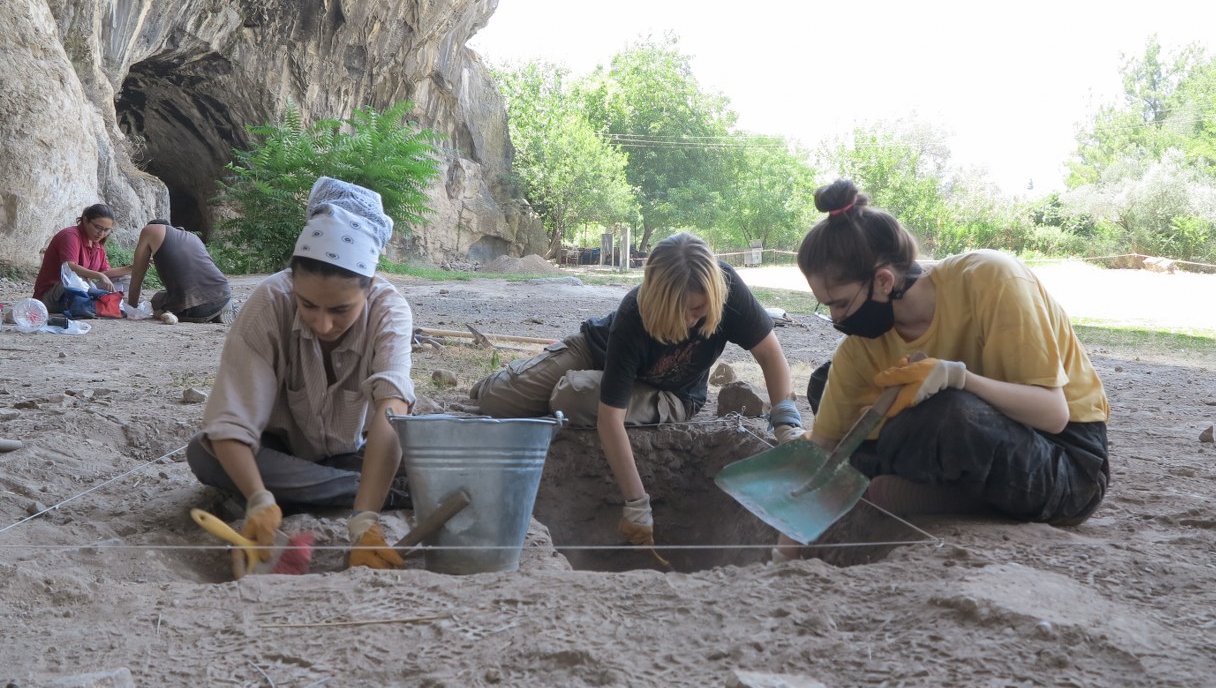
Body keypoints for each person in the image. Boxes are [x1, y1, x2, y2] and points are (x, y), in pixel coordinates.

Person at [789, 179, 1110, 544]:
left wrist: (959, 377)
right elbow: (825, 451)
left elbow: (1052, 414)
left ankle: (950, 496)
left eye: (841, 304)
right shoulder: (862, 346)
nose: (834, 319)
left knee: (948, 413)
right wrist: (785, 543)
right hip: (966, 440)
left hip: (1064, 462)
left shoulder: (993, 279)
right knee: (826, 382)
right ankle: (953, 491)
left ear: (882, 280)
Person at [470, 231, 804, 554]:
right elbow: (611, 421)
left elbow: (770, 355)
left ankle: (570, 394)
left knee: (571, 396)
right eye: (682, 310)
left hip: (672, 393)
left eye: (699, 310)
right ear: (657, 298)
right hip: (597, 350)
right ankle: (545, 384)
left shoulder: (726, 288)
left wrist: (786, 423)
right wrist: (637, 502)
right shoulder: (634, 312)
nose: (691, 319)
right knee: (495, 399)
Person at [186, 177, 415, 570]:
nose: (322, 324)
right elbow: (231, 421)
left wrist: (365, 524)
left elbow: (390, 412)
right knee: (204, 454)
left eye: (340, 310)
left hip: (352, 454)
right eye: (308, 305)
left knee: (422, 454)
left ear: (369, 287)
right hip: (278, 452)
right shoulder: (269, 303)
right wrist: (259, 499)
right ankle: (380, 493)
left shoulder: (390, 310)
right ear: (293, 282)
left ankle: (341, 495)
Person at [126, 220, 237, 323]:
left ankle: (168, 314)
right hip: (223, 296)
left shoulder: (150, 229)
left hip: (194, 308)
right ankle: (221, 311)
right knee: (168, 293)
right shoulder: (193, 237)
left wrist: (131, 308)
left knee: (157, 299)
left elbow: (137, 276)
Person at [33, 204, 133, 310]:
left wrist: (133, 268)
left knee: (125, 280)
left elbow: (105, 272)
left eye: (106, 230)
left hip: (81, 289)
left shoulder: (97, 243)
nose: (101, 233)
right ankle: (101, 303)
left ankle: (103, 302)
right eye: (98, 227)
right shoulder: (70, 235)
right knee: (78, 278)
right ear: (85, 220)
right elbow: (69, 267)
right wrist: (100, 276)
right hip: (52, 295)